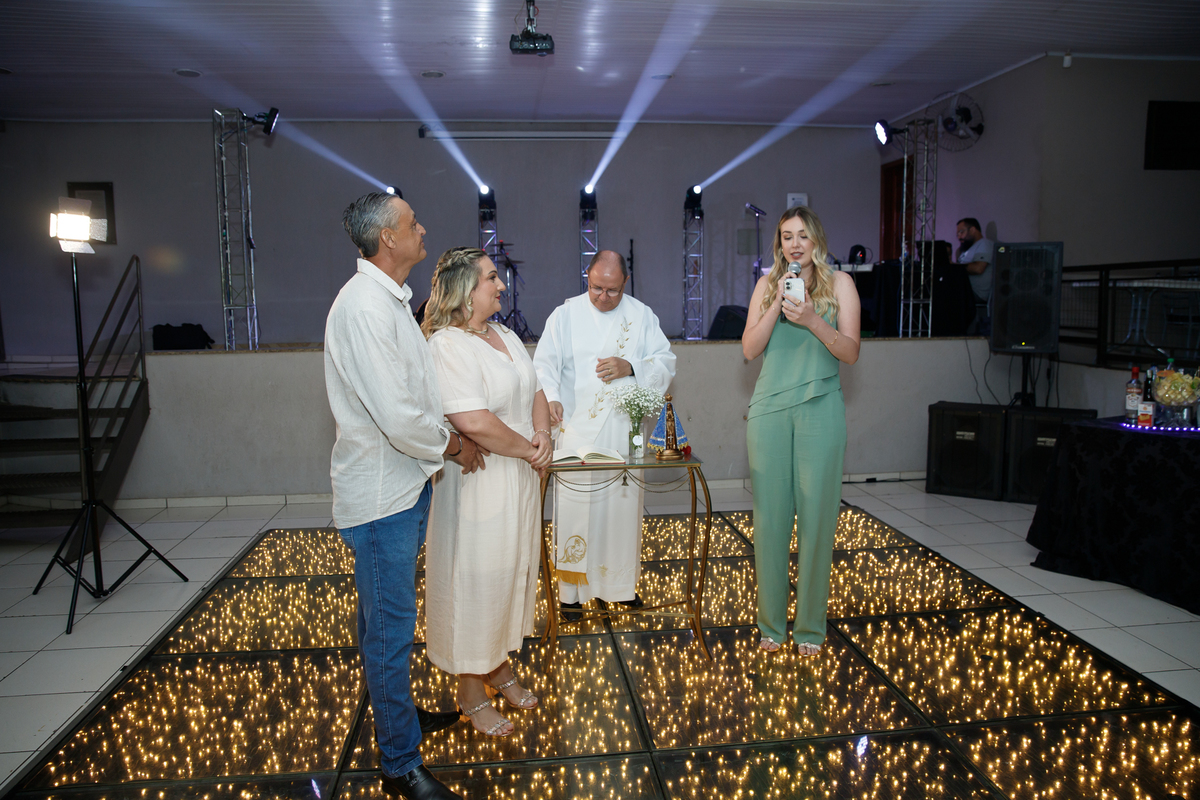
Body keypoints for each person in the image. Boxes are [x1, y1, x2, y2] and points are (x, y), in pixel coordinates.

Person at [325, 192, 484, 800]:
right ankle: (399, 763)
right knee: (389, 633)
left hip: (402, 485)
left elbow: (416, 396)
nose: (423, 229)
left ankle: (399, 720)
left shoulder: (388, 300)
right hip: (380, 499)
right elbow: (398, 416)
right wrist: (455, 445)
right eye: (412, 223)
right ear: (387, 239)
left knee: (385, 625)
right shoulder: (364, 307)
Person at [422, 247, 553, 738]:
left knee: (509, 571)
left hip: (519, 473)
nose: (501, 286)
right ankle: (470, 688)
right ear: (464, 290)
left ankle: (497, 665)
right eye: (491, 278)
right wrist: (529, 450)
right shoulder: (447, 344)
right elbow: (471, 420)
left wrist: (543, 435)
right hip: (480, 480)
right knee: (476, 578)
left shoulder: (505, 334)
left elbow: (534, 389)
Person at [741, 206, 860, 656]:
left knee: (817, 520)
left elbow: (850, 352)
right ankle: (771, 625)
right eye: (787, 236)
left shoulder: (841, 284)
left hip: (820, 408)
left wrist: (811, 318)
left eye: (803, 236)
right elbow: (749, 350)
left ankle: (810, 627)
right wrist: (777, 303)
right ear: (779, 244)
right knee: (770, 521)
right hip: (769, 411)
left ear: (817, 242)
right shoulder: (765, 285)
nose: (795, 244)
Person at [532, 251, 676, 617]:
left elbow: (666, 361)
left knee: (619, 511)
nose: (603, 297)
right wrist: (551, 397)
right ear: (588, 276)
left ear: (625, 282)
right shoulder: (565, 315)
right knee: (577, 510)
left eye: (612, 290)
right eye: (596, 288)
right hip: (576, 429)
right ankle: (571, 594)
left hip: (622, 431)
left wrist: (631, 366)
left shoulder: (641, 316)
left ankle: (618, 586)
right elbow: (544, 364)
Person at [956, 217, 994, 336]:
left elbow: (978, 268)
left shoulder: (984, 244)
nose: (959, 237)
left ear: (972, 230)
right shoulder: (966, 250)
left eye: (961, 232)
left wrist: (955, 267)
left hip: (976, 293)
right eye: (957, 234)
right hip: (965, 291)